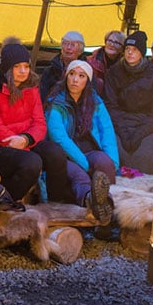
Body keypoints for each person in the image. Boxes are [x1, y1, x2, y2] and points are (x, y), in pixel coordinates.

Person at [0, 44, 70, 202]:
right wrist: (19, 143)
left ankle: (56, 204)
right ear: (7, 68)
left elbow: (39, 122)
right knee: (31, 162)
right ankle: (5, 200)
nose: (23, 71)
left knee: (55, 153)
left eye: (26, 66)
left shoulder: (31, 86)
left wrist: (26, 139)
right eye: (17, 66)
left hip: (24, 141)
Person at [44, 60, 117, 225]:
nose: (75, 80)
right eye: (72, 74)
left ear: (87, 81)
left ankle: (108, 212)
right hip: (66, 155)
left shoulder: (95, 101)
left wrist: (113, 161)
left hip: (90, 150)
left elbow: (107, 130)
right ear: (66, 77)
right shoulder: (57, 103)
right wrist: (84, 163)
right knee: (80, 176)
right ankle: (92, 203)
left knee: (105, 163)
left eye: (81, 76)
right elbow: (59, 137)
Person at [105, 31, 153, 174]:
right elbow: (110, 106)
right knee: (116, 152)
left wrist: (140, 133)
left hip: (147, 126)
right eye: (127, 49)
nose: (130, 53)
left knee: (145, 156)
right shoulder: (114, 73)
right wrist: (122, 131)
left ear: (142, 52)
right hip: (119, 124)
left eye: (134, 50)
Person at [39, 31, 86, 101]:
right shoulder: (50, 71)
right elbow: (42, 97)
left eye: (73, 45)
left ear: (80, 50)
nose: (68, 47)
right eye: (65, 43)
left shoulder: (87, 71)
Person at [87, 30, 125, 100]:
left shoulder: (125, 66)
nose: (112, 44)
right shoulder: (90, 61)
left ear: (122, 48)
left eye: (116, 42)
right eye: (109, 40)